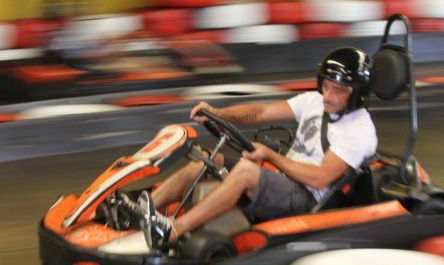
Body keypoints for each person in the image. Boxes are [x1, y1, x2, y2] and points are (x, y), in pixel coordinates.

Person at [138, 47, 379, 246]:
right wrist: (218, 113)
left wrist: (271, 156)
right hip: (284, 180)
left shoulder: (359, 130)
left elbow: (320, 179)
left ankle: (172, 231)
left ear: (357, 94)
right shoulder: (313, 101)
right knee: (207, 160)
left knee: (246, 171)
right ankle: (142, 212)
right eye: (326, 86)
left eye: (337, 91)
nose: (328, 95)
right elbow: (261, 111)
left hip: (307, 198)